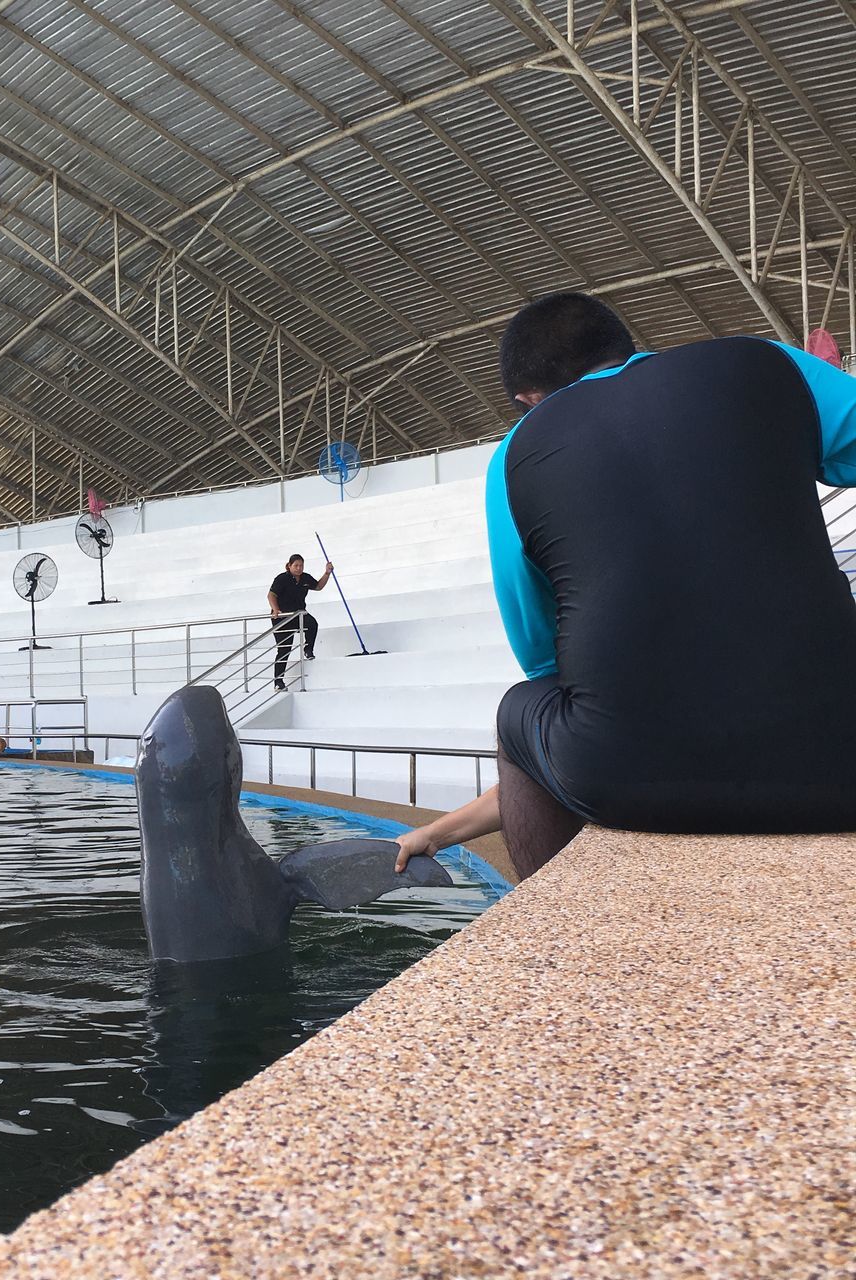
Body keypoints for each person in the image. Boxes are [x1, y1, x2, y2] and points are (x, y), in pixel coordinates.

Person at [397, 291, 856, 880]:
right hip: (842, 756)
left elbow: (546, 664)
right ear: (625, 345)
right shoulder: (768, 362)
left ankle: (558, 920)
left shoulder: (514, 458)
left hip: (629, 782)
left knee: (523, 707)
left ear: (527, 400)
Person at [267, 554, 333, 690]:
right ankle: (278, 682)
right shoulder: (282, 578)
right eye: (296, 565)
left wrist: (327, 573)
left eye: (301, 565)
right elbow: (271, 595)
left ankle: (308, 649)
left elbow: (318, 586)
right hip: (282, 618)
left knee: (312, 624)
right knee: (284, 649)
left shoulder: (305, 578)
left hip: (298, 615)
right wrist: (275, 609)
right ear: (289, 566)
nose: (298, 568)